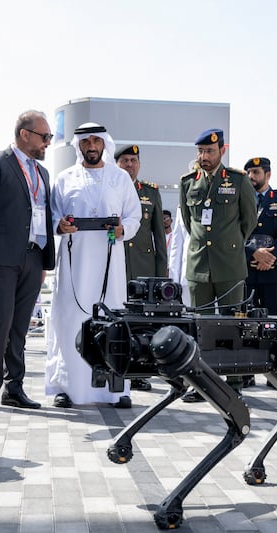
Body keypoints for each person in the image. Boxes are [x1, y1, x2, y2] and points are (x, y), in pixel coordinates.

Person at [0, 110, 56, 413]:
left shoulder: (42, 173)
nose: (48, 143)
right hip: (2, 255)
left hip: (33, 255)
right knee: (0, 324)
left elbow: (40, 212)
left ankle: (14, 388)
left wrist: (43, 259)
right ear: (25, 135)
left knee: (20, 327)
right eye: (45, 137)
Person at [46, 122, 141, 408]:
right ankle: (67, 388)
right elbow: (52, 216)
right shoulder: (65, 178)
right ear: (79, 146)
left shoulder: (120, 178)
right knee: (71, 320)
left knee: (112, 320)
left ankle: (115, 389)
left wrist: (125, 230)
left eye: (95, 142)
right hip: (75, 264)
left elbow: (134, 216)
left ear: (103, 144)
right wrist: (60, 226)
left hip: (110, 266)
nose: (91, 146)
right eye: (85, 142)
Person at [179, 129, 257, 401]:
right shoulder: (188, 182)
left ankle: (234, 382)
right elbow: (190, 223)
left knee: (232, 324)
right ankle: (201, 381)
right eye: (200, 151)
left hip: (230, 265)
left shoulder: (238, 180)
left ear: (222, 151)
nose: (204, 157)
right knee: (200, 326)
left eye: (209, 151)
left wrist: (230, 244)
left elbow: (249, 221)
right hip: (199, 264)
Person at [115, 143, 167, 392]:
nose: (129, 165)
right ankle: (116, 369)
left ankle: (138, 373)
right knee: (116, 318)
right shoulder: (111, 188)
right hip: (115, 265)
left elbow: (159, 235)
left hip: (144, 267)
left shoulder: (150, 191)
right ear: (117, 164)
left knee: (140, 322)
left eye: (133, 160)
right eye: (124, 160)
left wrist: (161, 273)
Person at [243, 156, 277, 315]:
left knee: (274, 320)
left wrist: (270, 256)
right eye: (249, 172)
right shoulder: (239, 200)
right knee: (245, 321)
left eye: (256, 172)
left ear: (268, 175)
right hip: (247, 270)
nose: (251, 176)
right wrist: (253, 252)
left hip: (274, 270)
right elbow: (234, 231)